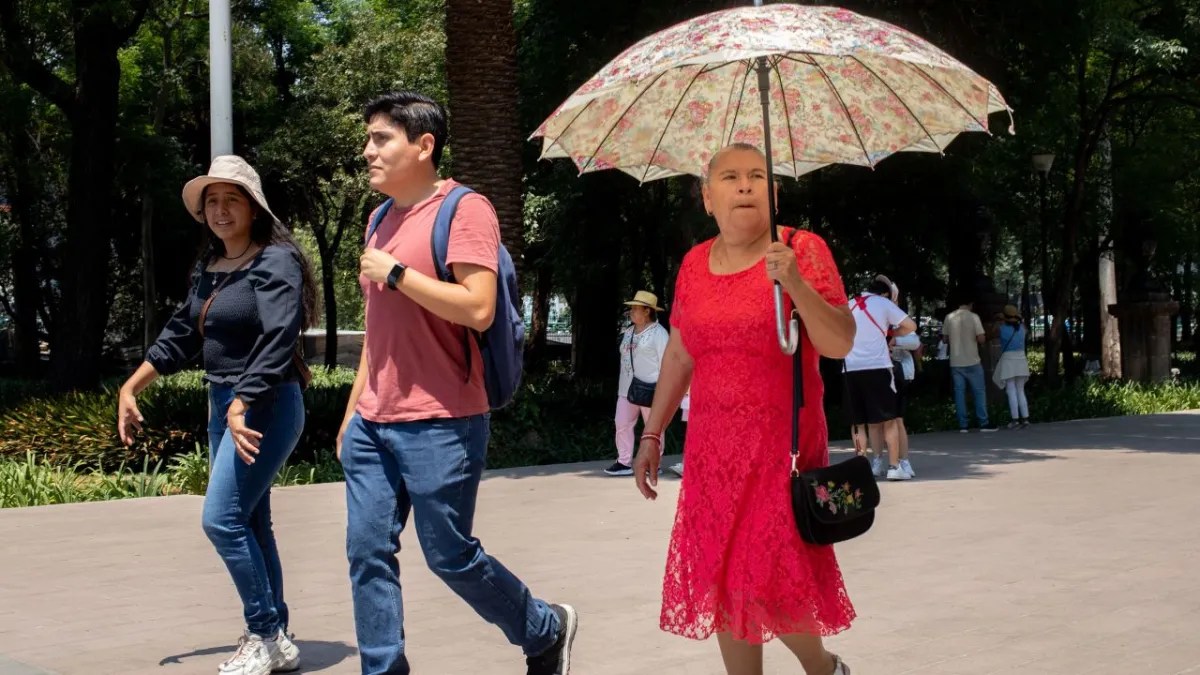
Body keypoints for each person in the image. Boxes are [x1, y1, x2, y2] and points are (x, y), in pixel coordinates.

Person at [339, 91, 576, 675]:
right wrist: (350, 416)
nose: (367, 150)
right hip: (374, 422)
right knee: (367, 552)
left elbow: (478, 308)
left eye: (380, 139)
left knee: (449, 555)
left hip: (443, 419)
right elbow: (378, 334)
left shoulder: (465, 209)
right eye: (368, 139)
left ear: (424, 145)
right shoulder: (378, 219)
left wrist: (396, 273)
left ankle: (543, 628)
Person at [632, 143, 856, 675]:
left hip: (783, 449)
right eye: (730, 177)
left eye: (758, 175)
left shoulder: (801, 249)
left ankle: (822, 668)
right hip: (713, 451)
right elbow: (682, 351)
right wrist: (653, 433)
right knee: (727, 576)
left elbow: (840, 342)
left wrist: (795, 282)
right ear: (707, 197)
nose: (745, 185)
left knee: (774, 573)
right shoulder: (692, 263)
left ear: (774, 195)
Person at [116, 155, 317, 675]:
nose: (221, 210)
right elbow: (183, 331)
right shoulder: (212, 269)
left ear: (253, 208)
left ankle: (263, 632)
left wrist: (243, 400)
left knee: (221, 519)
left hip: (264, 404)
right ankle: (278, 635)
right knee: (251, 519)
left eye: (232, 199)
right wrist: (132, 385)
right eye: (213, 202)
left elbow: (279, 338)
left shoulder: (276, 262)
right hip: (223, 403)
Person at [844, 275, 917, 481]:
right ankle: (894, 467)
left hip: (850, 368)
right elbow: (911, 326)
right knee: (889, 420)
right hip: (877, 366)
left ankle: (861, 466)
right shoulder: (883, 303)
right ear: (885, 293)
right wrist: (891, 330)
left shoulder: (849, 305)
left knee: (858, 423)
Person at [607, 290, 670, 476]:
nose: (631, 312)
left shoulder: (659, 333)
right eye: (631, 309)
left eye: (635, 309)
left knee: (652, 428)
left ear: (647, 311)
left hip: (651, 389)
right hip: (626, 389)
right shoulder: (628, 331)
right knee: (622, 423)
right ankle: (624, 461)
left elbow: (666, 363)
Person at [943, 295, 998, 432]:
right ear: (971, 304)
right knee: (979, 392)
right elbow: (980, 339)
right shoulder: (974, 317)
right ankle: (983, 423)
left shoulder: (949, 317)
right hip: (972, 360)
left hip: (956, 362)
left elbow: (944, 339)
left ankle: (963, 425)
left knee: (959, 393)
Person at [886, 281, 921, 479]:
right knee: (877, 423)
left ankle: (903, 461)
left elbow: (914, 341)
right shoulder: (874, 314)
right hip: (878, 371)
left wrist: (894, 340)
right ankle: (878, 461)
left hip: (900, 373)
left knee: (897, 420)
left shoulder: (898, 317)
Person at [993, 304, 1031, 428]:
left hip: (1008, 360)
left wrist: (1000, 318)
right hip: (1021, 359)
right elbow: (1021, 323)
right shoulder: (1022, 328)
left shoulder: (1001, 328)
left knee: (1011, 390)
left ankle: (1015, 419)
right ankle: (1025, 418)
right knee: (1020, 390)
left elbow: (993, 331)